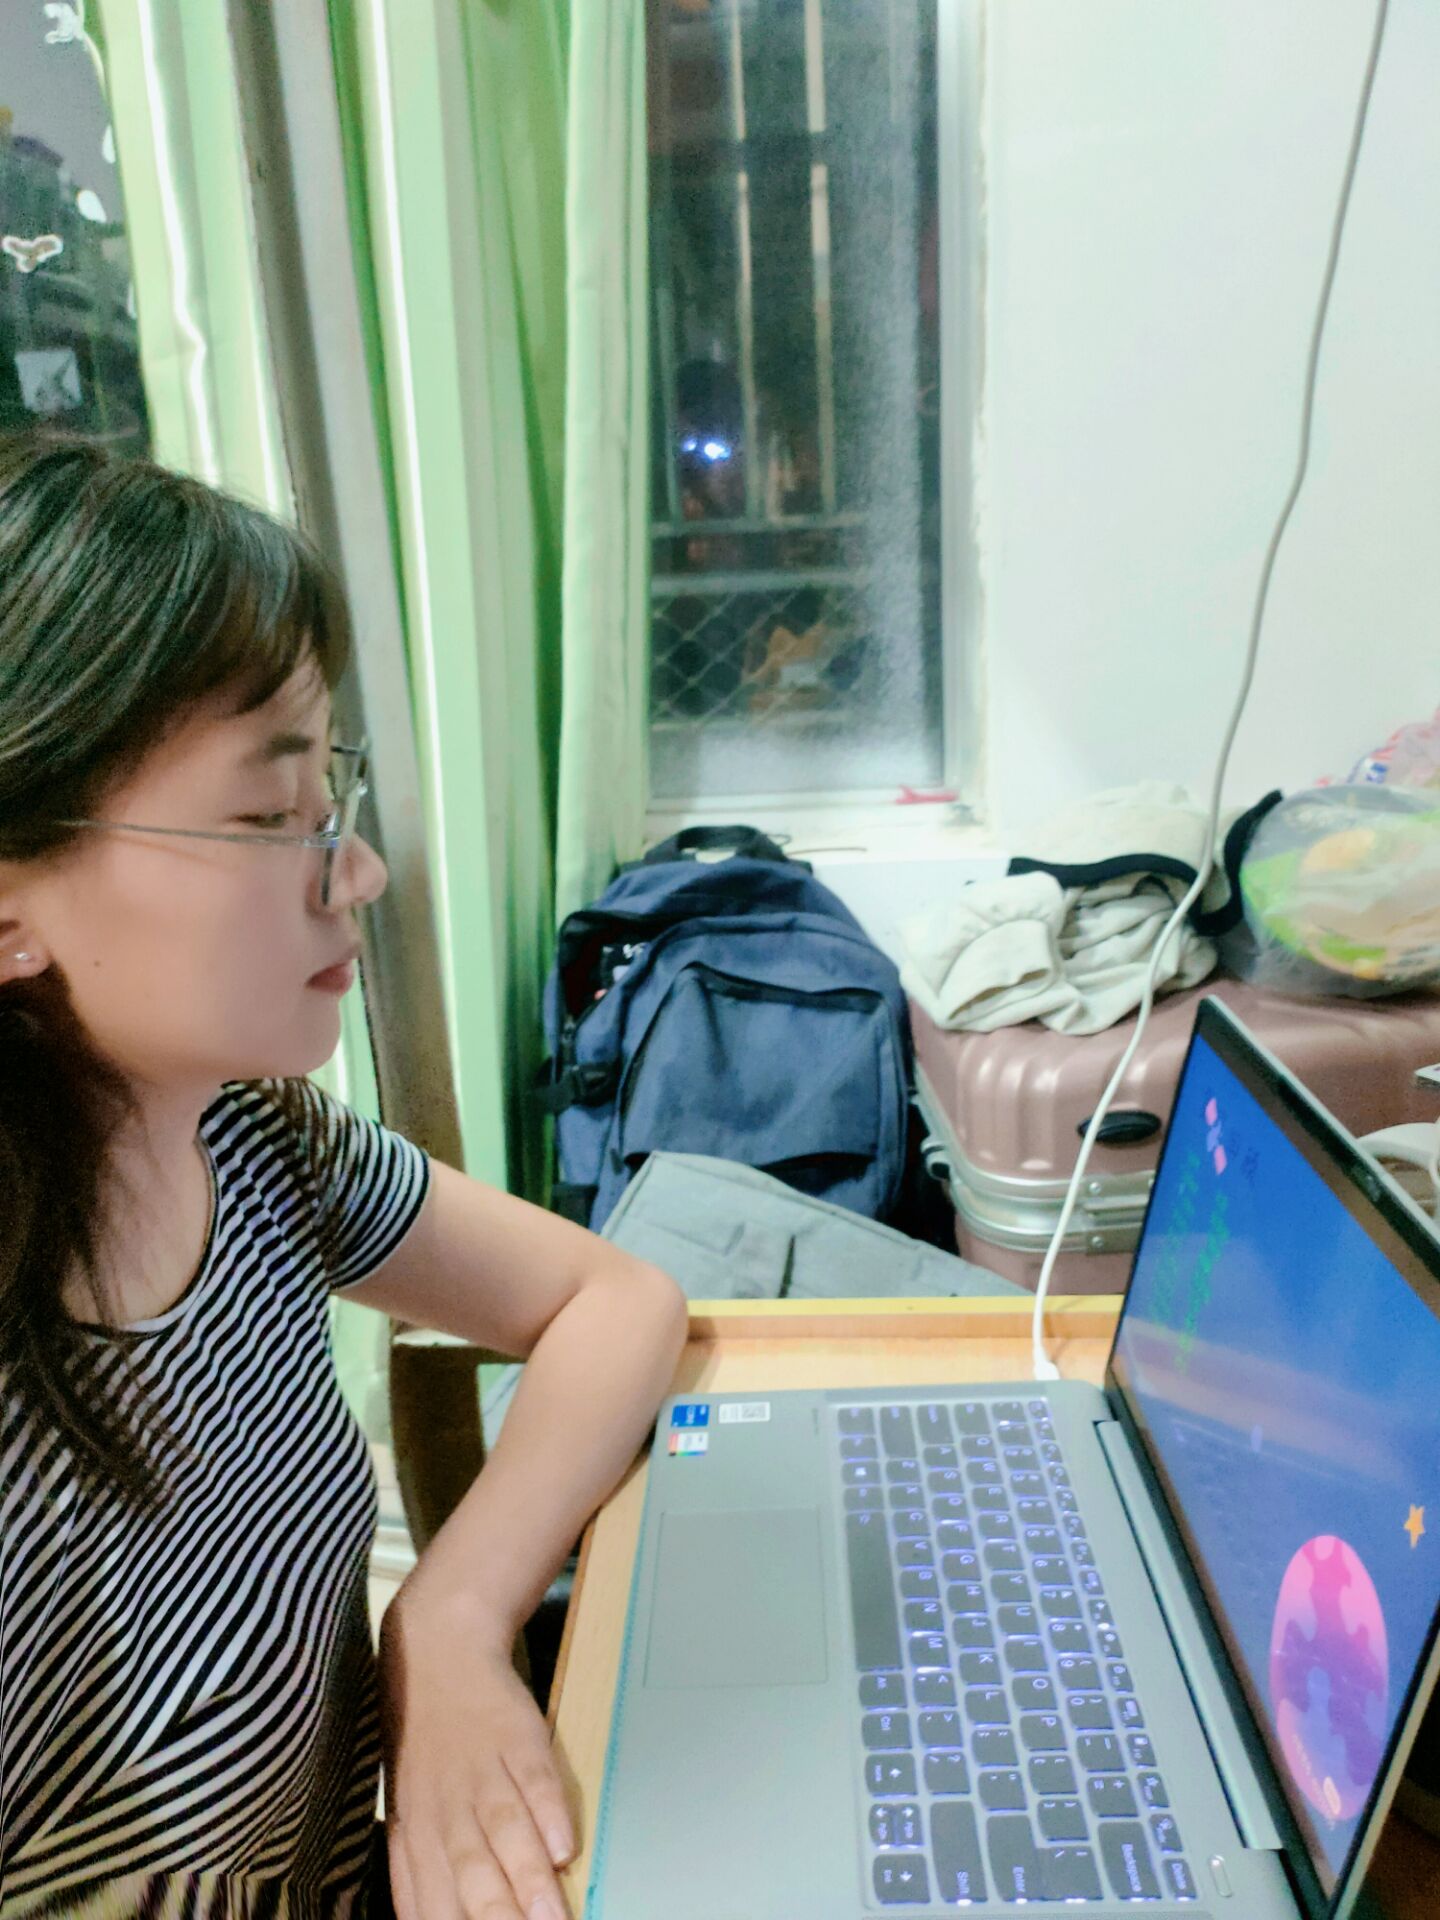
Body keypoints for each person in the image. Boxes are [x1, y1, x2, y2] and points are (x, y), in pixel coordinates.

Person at [0, 437, 689, 1919]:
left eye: (332, 798)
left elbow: (616, 1299)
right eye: (268, 819)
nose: (357, 872)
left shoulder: (252, 1137)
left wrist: (451, 1613)